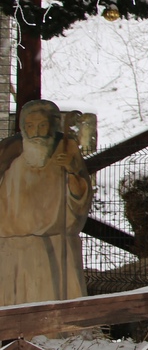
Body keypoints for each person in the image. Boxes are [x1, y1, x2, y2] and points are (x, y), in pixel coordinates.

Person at [0, 99, 94, 307]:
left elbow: (80, 199)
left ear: (52, 127)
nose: (36, 133)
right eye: (30, 126)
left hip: (55, 245)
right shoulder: (9, 158)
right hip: (12, 248)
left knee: (55, 311)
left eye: (42, 126)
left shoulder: (65, 153)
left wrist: (71, 169)